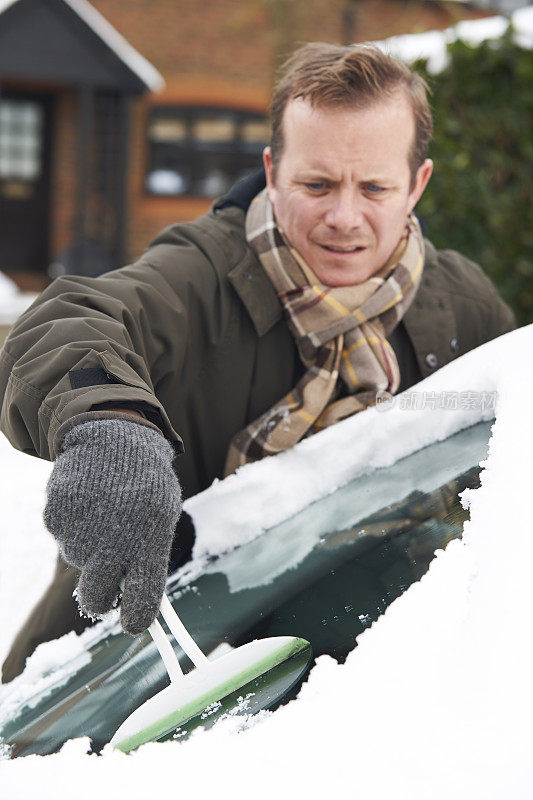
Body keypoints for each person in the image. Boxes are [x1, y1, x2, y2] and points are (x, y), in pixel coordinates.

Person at [0, 43, 515, 683]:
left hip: (364, 688)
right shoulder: (202, 274)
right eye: (316, 184)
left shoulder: (467, 309)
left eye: (375, 187)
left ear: (418, 184)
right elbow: (68, 321)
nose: (343, 218)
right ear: (271, 172)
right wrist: (110, 419)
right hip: (127, 680)